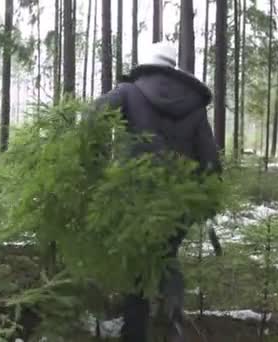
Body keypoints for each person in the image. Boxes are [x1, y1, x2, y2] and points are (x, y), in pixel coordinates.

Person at [94, 42, 221, 342]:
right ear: (171, 66)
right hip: (179, 202)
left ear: (146, 64)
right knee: (166, 258)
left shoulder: (127, 92)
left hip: (135, 199)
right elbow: (210, 159)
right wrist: (205, 200)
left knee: (138, 269)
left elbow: (93, 117)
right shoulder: (194, 105)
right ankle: (172, 322)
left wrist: (94, 161)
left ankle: (135, 334)